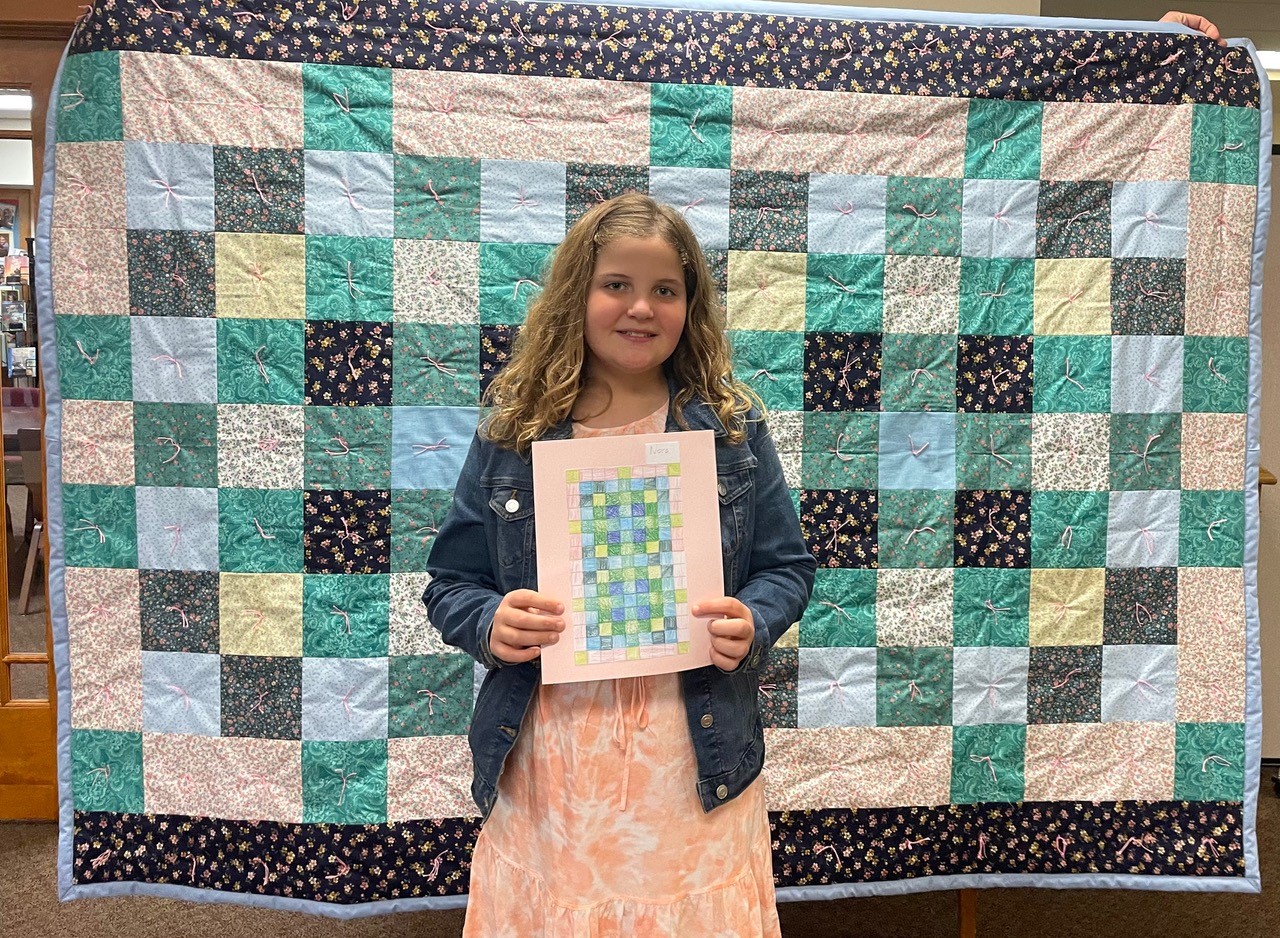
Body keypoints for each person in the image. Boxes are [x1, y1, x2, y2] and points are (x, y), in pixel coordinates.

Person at [422, 192, 816, 935]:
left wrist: (753, 621)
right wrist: (491, 623)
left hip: (690, 748)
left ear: (690, 306)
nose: (641, 308)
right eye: (617, 286)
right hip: (558, 758)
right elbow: (452, 582)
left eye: (665, 290)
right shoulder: (519, 429)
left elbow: (786, 567)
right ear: (578, 295)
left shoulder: (729, 429)